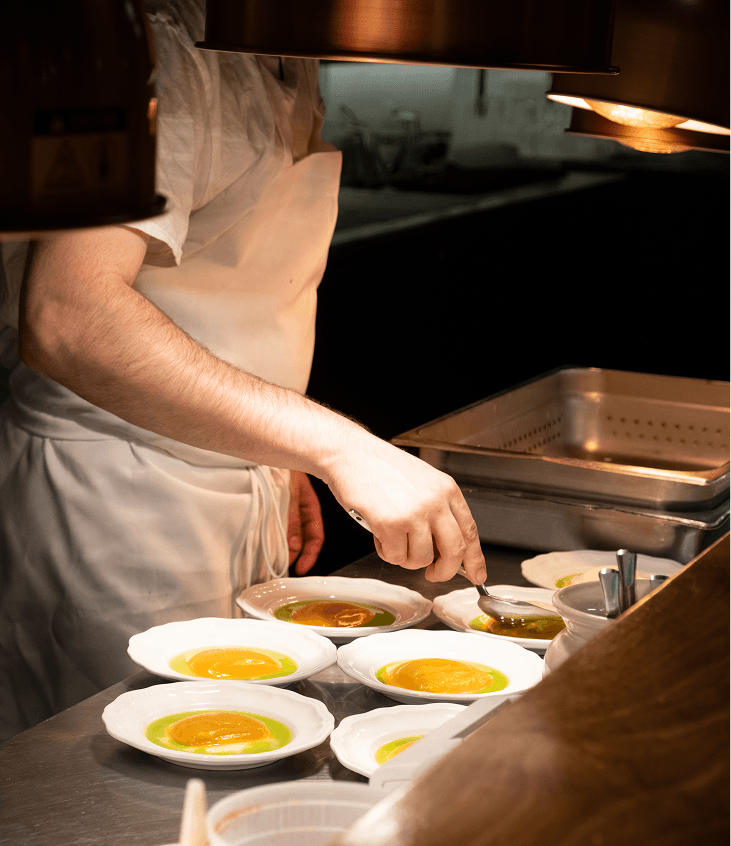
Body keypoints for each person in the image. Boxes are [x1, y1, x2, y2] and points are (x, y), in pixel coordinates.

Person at [0, 0, 485, 743]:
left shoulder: (286, 42)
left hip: (227, 473)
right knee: (138, 778)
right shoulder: (168, 41)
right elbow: (71, 316)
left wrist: (273, 447)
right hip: (118, 491)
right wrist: (337, 446)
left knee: (242, 744)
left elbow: (218, 284)